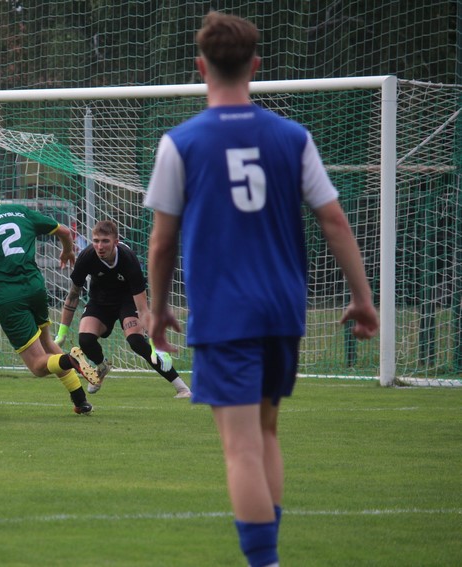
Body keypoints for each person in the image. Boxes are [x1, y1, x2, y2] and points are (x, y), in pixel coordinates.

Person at [144, 12, 379, 567]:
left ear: (200, 67)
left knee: (241, 445)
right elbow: (335, 221)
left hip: (225, 313)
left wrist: (156, 311)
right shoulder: (292, 137)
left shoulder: (181, 143)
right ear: (256, 66)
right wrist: (363, 298)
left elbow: (161, 242)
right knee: (267, 432)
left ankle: (263, 562)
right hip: (282, 309)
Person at [0, 176, 100, 415]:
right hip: (35, 287)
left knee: (37, 365)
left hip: (7, 295)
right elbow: (65, 230)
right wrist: (67, 251)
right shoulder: (20, 211)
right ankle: (80, 400)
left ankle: (72, 360)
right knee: (47, 342)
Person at [53, 220, 192, 398]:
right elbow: (73, 295)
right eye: (96, 240)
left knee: (136, 341)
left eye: (105, 241)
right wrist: (61, 333)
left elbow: (142, 309)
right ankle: (102, 367)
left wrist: (156, 342)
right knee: (85, 339)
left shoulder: (128, 259)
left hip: (127, 300)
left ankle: (182, 388)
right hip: (100, 300)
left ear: (116, 242)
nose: (99, 246)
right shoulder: (87, 257)